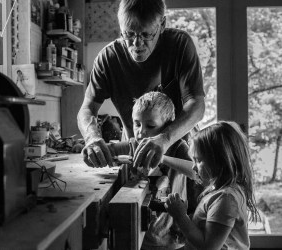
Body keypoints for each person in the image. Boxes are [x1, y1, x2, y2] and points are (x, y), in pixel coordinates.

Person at [77, 0, 205, 170]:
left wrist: (164, 139)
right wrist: (91, 137)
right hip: (136, 153)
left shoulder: (179, 45)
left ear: (162, 24)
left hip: (180, 152)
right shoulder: (108, 59)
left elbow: (196, 105)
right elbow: (87, 109)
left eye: (146, 35)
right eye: (128, 34)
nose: (137, 44)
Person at [108, 91, 203, 249]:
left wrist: (163, 158)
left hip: (172, 236)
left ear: (167, 127)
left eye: (150, 126)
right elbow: (109, 150)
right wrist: (90, 147)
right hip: (141, 236)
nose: (141, 131)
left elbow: (196, 172)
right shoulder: (133, 145)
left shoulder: (177, 147)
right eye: (137, 123)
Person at [164, 121, 260, 250]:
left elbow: (208, 247)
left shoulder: (225, 199)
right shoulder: (220, 192)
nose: (193, 166)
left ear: (220, 159)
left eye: (198, 160)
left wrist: (181, 216)